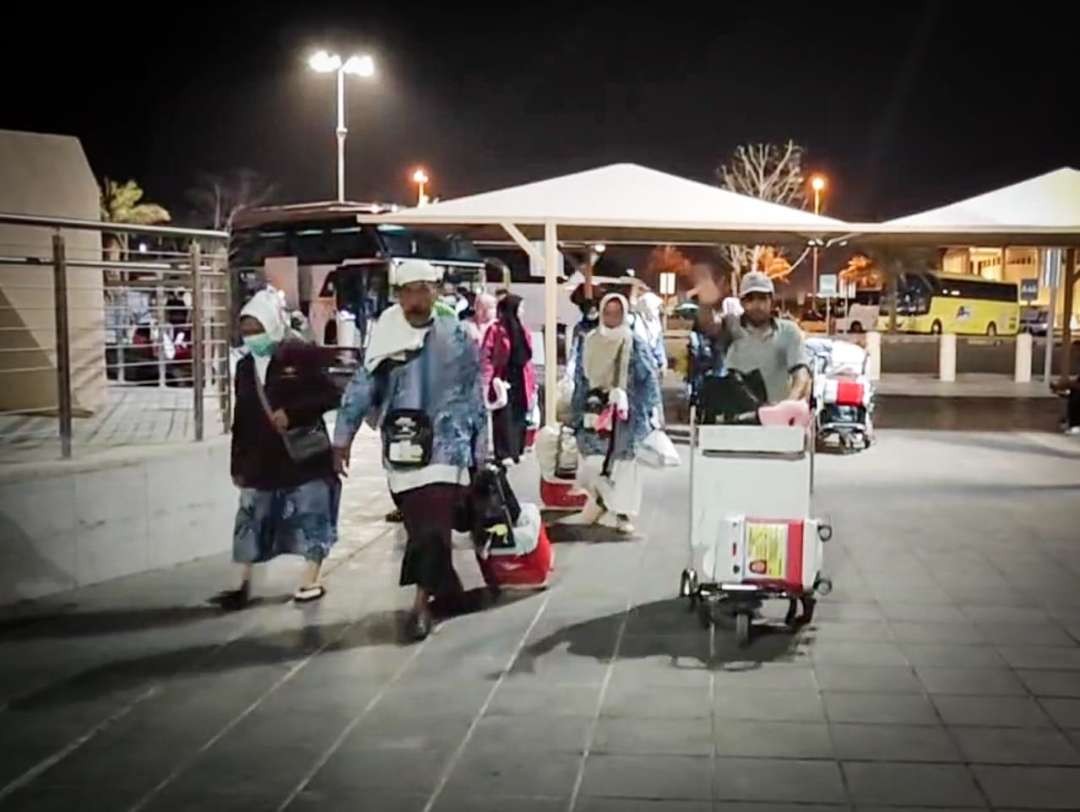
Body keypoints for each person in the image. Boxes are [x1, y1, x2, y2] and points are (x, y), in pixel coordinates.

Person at [332, 259, 487, 640]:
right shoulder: (385, 336)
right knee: (421, 527)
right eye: (409, 291)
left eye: (424, 289)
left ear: (436, 291)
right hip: (403, 448)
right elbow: (361, 387)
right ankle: (448, 591)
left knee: (433, 527)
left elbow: (474, 395)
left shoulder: (458, 335)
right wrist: (342, 438)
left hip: (448, 449)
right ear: (398, 295)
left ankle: (421, 606)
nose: (417, 298)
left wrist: (482, 449)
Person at [223, 290, 342, 609]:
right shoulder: (246, 367)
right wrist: (238, 462)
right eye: (246, 331)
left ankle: (311, 576)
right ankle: (243, 582)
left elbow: (331, 395)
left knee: (313, 513)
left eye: (257, 329)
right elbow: (242, 415)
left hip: (303, 456)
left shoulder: (300, 355)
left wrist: (294, 413)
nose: (252, 338)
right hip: (262, 459)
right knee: (251, 517)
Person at [567, 293, 662, 535]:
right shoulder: (589, 340)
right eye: (607, 312)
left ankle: (622, 513)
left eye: (616, 313)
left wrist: (646, 407)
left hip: (625, 416)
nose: (611, 318)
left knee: (624, 465)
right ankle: (598, 504)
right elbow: (581, 377)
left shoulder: (633, 342)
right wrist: (575, 411)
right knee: (594, 462)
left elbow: (648, 377)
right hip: (594, 411)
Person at [697, 271, 811, 404]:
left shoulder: (788, 331)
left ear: (772, 300)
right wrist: (706, 302)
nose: (757, 305)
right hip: (736, 417)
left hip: (776, 417)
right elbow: (708, 325)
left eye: (762, 298)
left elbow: (801, 374)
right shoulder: (731, 327)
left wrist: (789, 405)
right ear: (742, 303)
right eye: (750, 298)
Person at [481, 294, 536, 463]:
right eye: (520, 308)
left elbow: (527, 357)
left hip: (521, 377)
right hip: (502, 376)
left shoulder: (523, 330)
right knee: (503, 415)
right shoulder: (496, 330)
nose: (523, 311)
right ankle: (504, 452)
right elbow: (486, 355)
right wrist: (487, 379)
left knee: (519, 414)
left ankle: (517, 450)